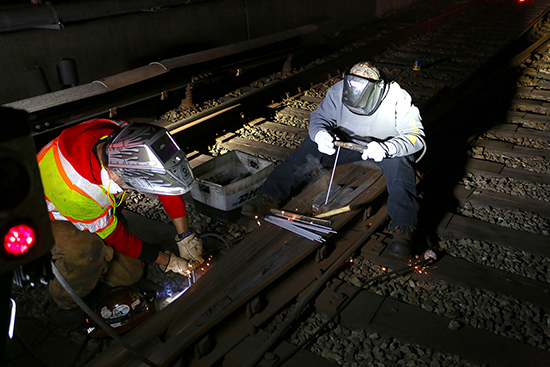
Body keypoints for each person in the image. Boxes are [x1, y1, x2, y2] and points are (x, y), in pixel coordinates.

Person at [242, 61, 425, 256]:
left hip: (382, 148)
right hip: (347, 144)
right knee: (309, 148)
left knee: (402, 165)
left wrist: (389, 148)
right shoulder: (340, 89)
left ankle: (404, 228)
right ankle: (269, 195)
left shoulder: (398, 97)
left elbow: (416, 137)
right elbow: (319, 117)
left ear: (377, 89)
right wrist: (320, 134)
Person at [37, 118, 204, 310]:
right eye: (128, 186)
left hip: (88, 203)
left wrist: (185, 236)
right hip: (49, 214)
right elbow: (118, 238)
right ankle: (63, 304)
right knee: (88, 253)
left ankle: (98, 285)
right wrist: (170, 262)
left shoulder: (124, 138)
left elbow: (160, 178)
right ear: (112, 174)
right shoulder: (81, 192)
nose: (131, 191)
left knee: (131, 273)